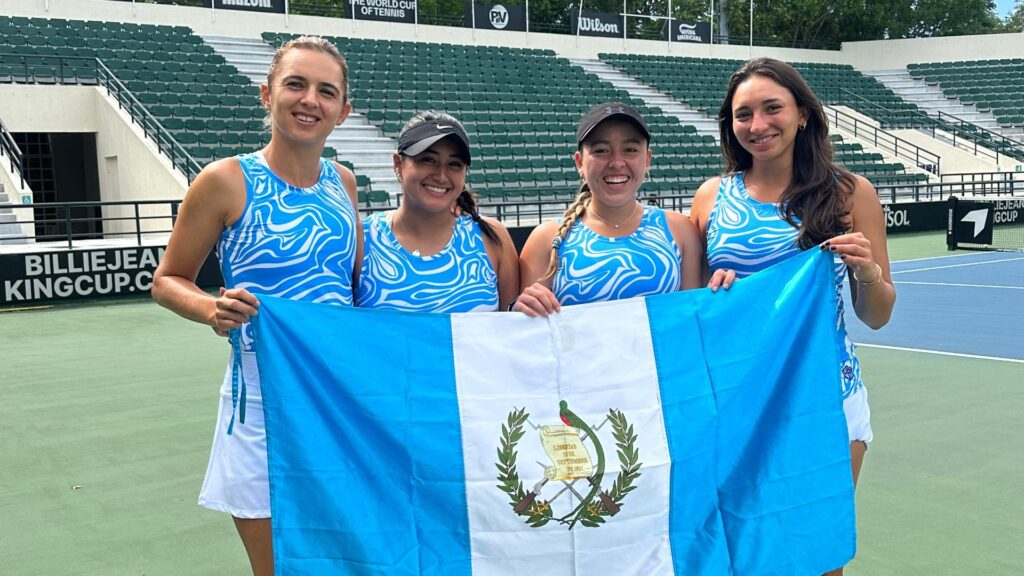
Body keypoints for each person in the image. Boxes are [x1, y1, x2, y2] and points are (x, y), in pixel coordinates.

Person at [151, 36, 359, 576]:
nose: (309, 99)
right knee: (278, 567)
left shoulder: (344, 182)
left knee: (342, 554)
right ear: (267, 94)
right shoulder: (225, 181)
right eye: (296, 84)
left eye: (326, 90)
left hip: (335, 399)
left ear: (343, 109)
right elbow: (168, 279)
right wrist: (208, 310)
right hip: (260, 401)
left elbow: (348, 288)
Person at [689, 57, 896, 576]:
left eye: (771, 108)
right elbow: (695, 312)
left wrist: (866, 268)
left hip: (827, 395)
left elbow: (877, 315)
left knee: (817, 553)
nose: (757, 126)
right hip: (738, 401)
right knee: (741, 549)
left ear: (803, 113)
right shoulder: (712, 197)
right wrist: (719, 293)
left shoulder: (851, 193)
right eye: (743, 114)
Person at [515, 103, 702, 317]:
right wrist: (521, 308)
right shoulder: (545, 239)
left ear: (647, 159)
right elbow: (526, 331)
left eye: (630, 150)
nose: (616, 162)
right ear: (579, 162)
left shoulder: (679, 230)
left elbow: (692, 321)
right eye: (601, 151)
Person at [356, 111, 519, 312]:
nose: (441, 175)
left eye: (454, 164)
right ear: (398, 164)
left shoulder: (492, 238)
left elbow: (512, 330)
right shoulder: (362, 240)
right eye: (427, 160)